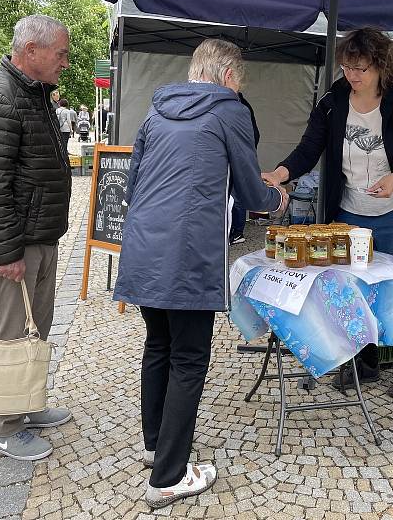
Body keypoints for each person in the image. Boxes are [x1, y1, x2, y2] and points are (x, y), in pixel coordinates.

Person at [113, 38, 288, 509]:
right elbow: (252, 191)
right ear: (229, 76)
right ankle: (169, 476)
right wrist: (276, 199)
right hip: (187, 254)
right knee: (188, 359)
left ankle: (156, 447)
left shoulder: (156, 112)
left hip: (145, 247)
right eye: (241, 80)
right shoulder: (229, 110)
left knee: (158, 346)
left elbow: (132, 183)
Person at [262, 27, 393, 399]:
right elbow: (308, 147)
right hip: (350, 211)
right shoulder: (334, 100)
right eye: (347, 67)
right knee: (356, 286)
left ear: (381, 65)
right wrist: (279, 174)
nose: (352, 76)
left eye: (361, 68)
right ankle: (367, 358)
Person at [0, 14, 73, 461]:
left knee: (36, 327)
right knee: (10, 332)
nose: (65, 63)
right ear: (31, 50)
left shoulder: (33, 93)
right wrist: (7, 250)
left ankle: (27, 403)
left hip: (40, 235)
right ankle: (6, 425)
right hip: (19, 243)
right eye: (61, 53)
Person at [229, 93, 260, 244]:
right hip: (237, 156)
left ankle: (237, 231)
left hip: (239, 158)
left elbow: (254, 135)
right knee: (233, 195)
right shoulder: (237, 105)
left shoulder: (240, 106)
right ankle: (233, 230)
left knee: (237, 195)